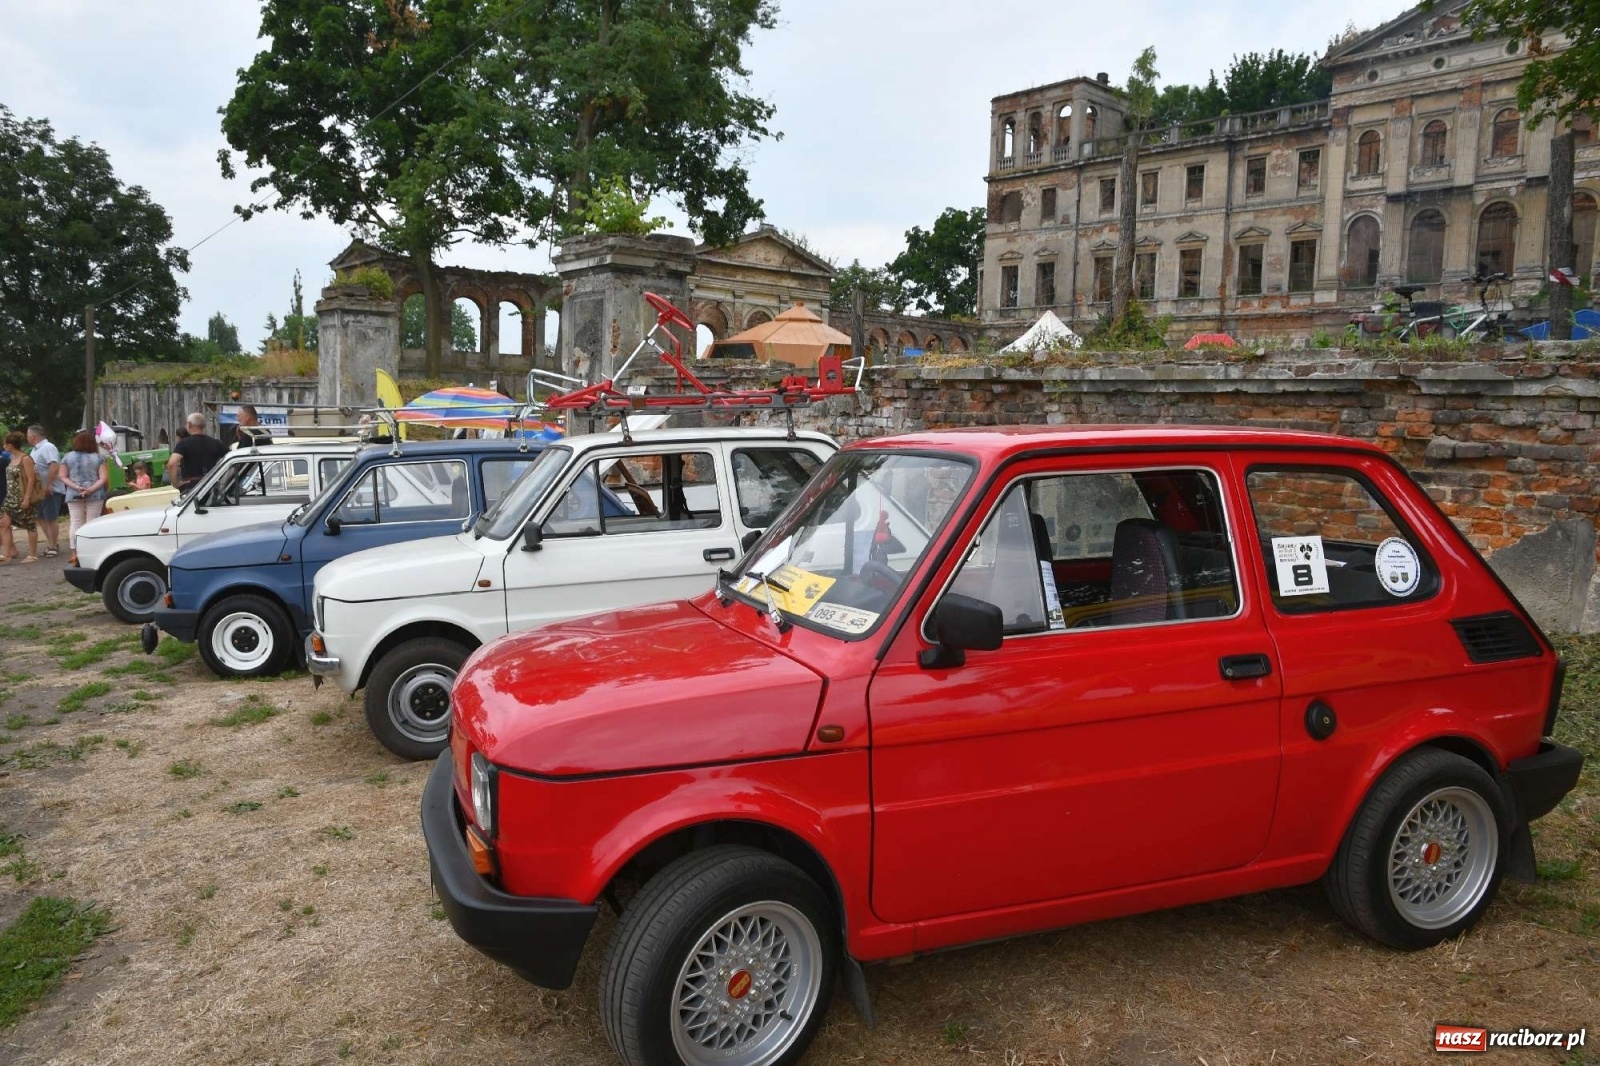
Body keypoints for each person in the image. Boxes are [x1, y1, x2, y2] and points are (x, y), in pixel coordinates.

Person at [62, 429, 109, 564]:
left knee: (75, 522)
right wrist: (89, 490)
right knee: (92, 521)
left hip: (73, 492)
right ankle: (91, 551)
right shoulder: (99, 458)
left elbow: (62, 476)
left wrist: (77, 487)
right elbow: (103, 478)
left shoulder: (67, 457)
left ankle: (74, 552)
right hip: (95, 492)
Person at [1, 431, 43, 563]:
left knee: (30, 524)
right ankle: (7, 554)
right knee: (3, 524)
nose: (3, 446)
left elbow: (31, 479)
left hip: (23, 496)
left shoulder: (25, 459)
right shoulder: (12, 458)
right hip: (10, 497)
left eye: (5, 444)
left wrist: (27, 498)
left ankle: (32, 554)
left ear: (10, 445)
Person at [25, 425, 62, 558]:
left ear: (33, 436)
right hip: (39, 490)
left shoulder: (47, 447)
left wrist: (49, 484)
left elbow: (54, 465)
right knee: (41, 517)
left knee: (50, 517)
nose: (27, 437)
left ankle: (53, 545)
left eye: (28, 435)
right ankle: (51, 542)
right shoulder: (34, 450)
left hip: (49, 489)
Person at [165, 412, 226, 491]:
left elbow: (171, 464)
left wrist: (175, 483)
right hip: (211, 485)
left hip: (191, 487)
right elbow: (234, 462)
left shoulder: (184, 444)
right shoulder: (216, 443)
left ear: (189, 425)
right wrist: (223, 481)